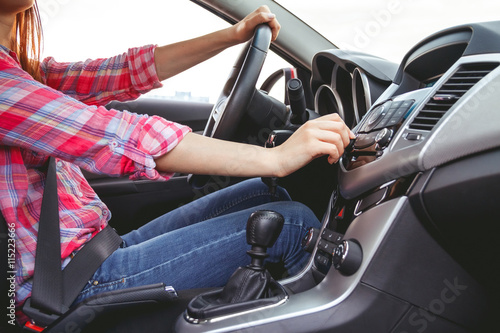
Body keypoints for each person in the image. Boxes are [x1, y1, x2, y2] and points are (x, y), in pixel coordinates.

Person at [0, 0, 355, 325]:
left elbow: (120, 73)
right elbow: (118, 138)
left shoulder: (23, 72)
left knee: (263, 195)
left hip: (96, 250)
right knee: (292, 226)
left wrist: (231, 35)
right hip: (67, 284)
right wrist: (276, 157)